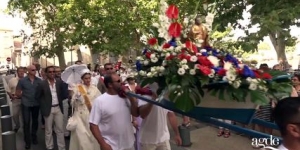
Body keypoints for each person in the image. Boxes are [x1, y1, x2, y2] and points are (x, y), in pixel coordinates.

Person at [89, 73, 139, 150]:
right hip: (111, 145)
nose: (122, 83)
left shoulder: (125, 97)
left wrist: (132, 99)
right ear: (110, 85)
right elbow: (93, 125)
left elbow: (135, 113)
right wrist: (103, 144)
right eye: (118, 81)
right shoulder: (100, 101)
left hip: (129, 144)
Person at [69, 68, 101, 150]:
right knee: (81, 137)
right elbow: (72, 104)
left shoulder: (94, 88)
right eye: (86, 78)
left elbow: (100, 101)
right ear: (82, 79)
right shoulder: (77, 88)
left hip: (91, 114)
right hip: (80, 116)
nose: (88, 80)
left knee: (93, 136)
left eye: (89, 78)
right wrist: (76, 98)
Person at [35, 66, 66, 150]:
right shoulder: (42, 84)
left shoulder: (59, 82)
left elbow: (63, 94)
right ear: (46, 73)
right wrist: (43, 105)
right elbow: (37, 96)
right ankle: (49, 146)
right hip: (48, 109)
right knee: (48, 130)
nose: (52, 73)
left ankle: (62, 147)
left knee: (60, 129)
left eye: (53, 72)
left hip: (58, 108)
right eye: (50, 72)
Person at [16, 65, 42, 149]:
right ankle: (27, 141)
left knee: (35, 121)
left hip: (36, 104)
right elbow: (17, 92)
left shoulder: (39, 80)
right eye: (32, 70)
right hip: (26, 104)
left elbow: (42, 92)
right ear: (28, 71)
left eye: (35, 70)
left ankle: (34, 136)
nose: (34, 71)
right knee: (26, 123)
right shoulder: (22, 81)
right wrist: (21, 95)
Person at [6, 67, 25, 132]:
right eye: (20, 71)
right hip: (16, 100)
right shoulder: (12, 80)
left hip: (25, 100)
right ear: (17, 72)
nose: (22, 72)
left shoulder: (26, 80)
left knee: (25, 115)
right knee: (15, 115)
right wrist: (11, 96)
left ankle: (25, 127)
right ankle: (17, 125)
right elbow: (8, 90)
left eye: (23, 71)